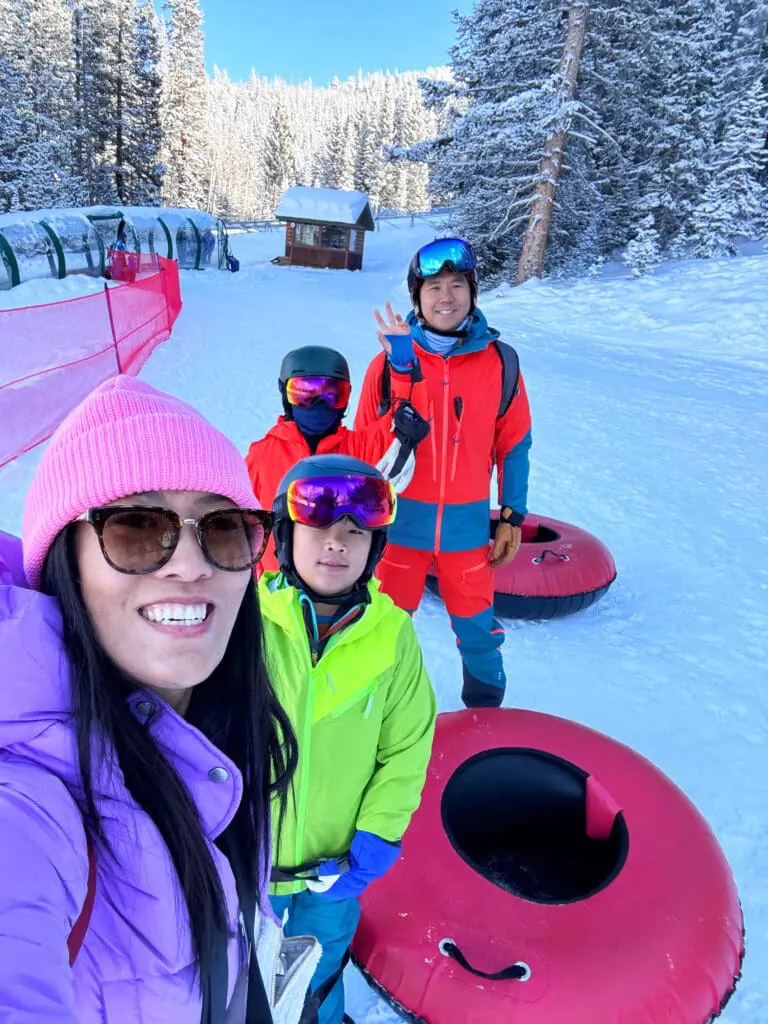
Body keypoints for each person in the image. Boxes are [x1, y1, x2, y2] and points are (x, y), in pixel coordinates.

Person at [0, 375, 321, 1023]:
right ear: (66, 563)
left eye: (224, 528)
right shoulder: (27, 813)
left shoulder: (217, 742)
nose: (191, 565)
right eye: (137, 529)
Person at [260, 453, 437, 1024]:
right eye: (318, 526)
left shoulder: (391, 636)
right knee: (242, 965)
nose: (337, 543)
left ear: (375, 546)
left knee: (321, 961)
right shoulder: (244, 620)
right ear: (286, 535)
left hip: (334, 864)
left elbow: (406, 744)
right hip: (248, 858)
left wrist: (380, 831)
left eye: (356, 532)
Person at [355, 237, 533, 709]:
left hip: (466, 529)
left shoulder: (502, 363)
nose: (446, 297)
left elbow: (514, 445)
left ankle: (486, 717)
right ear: (417, 298)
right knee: (382, 629)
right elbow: (364, 446)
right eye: (434, 287)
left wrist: (512, 516)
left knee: (479, 632)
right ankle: (373, 719)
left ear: (473, 293)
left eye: (457, 285)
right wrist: (400, 372)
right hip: (399, 526)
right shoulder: (387, 363)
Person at [246, 345, 429, 571]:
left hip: (341, 583)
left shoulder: (360, 450)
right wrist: (254, 580)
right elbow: (245, 525)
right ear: (285, 395)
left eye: (333, 394)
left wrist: (403, 369)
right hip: (277, 586)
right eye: (304, 393)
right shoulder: (262, 456)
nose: (319, 404)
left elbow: (408, 416)